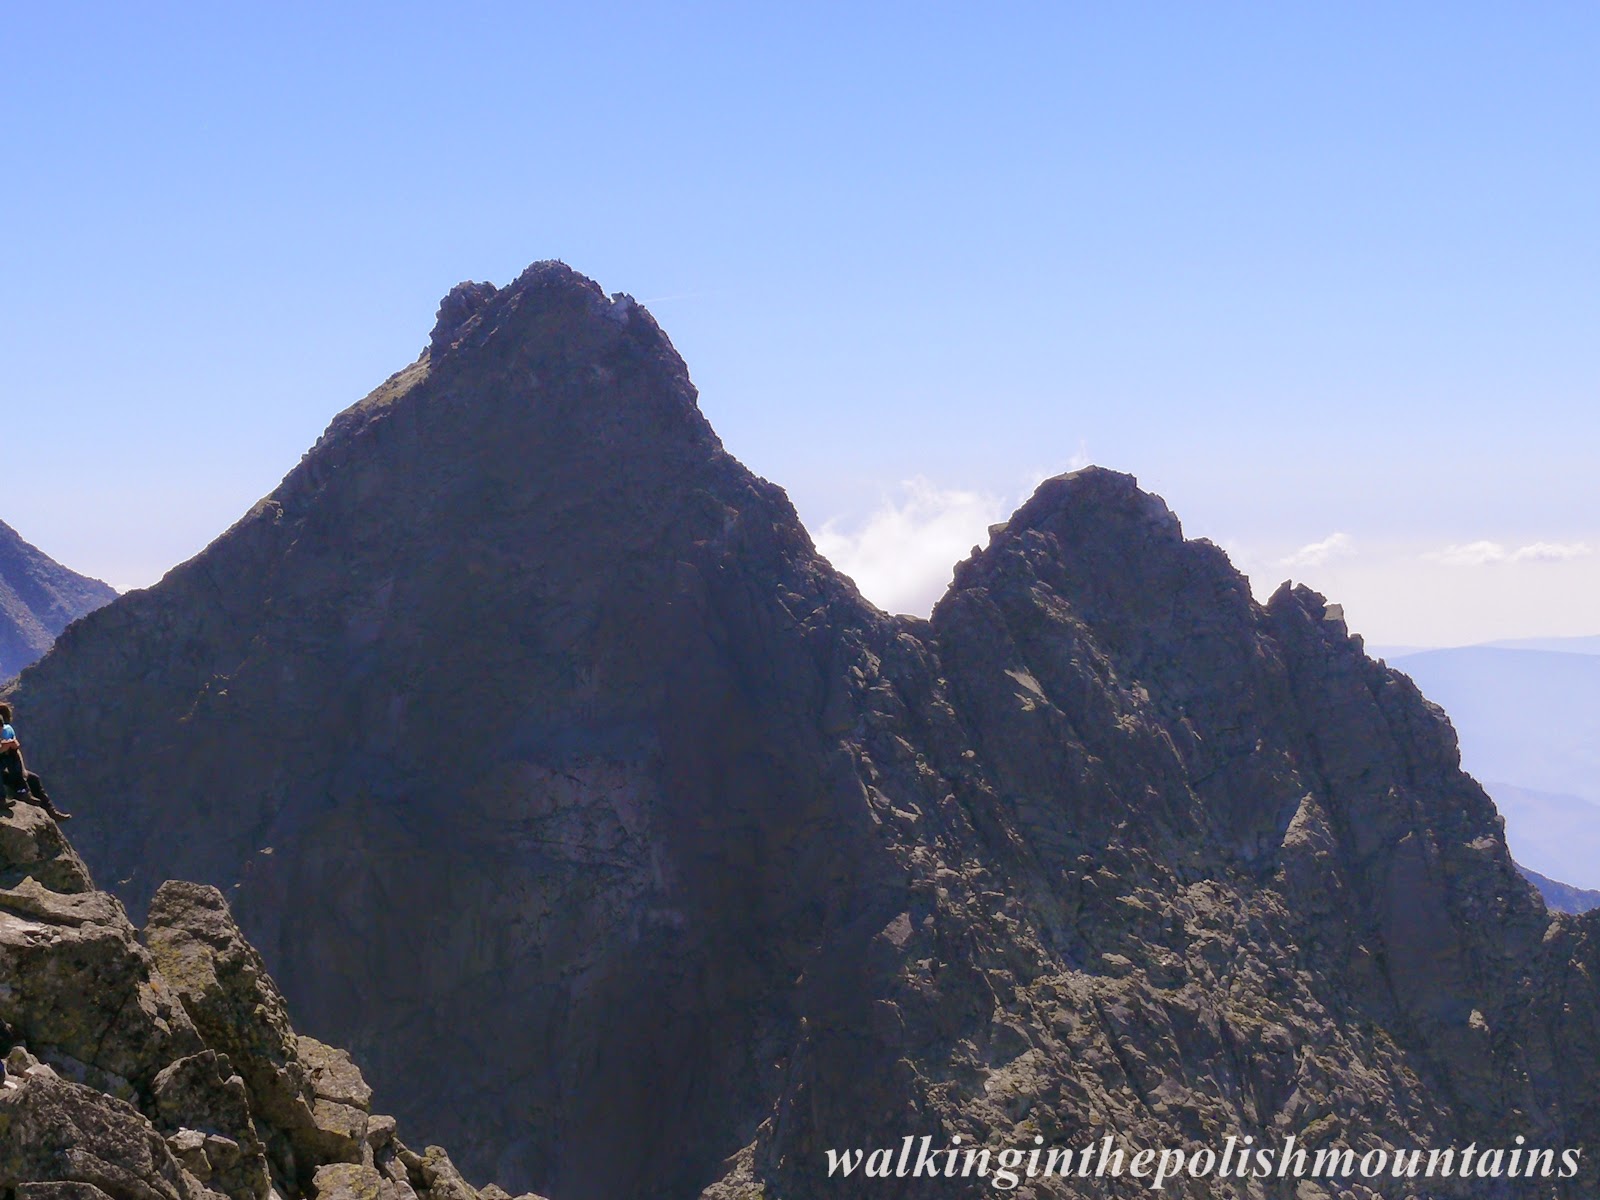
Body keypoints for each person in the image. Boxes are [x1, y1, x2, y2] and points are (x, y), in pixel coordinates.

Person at [0, 702, 70, 821]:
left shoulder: (7, 731)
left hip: (8, 769)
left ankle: (50, 811)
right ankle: (10, 796)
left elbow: (15, 753)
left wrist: (22, 770)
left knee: (33, 779)